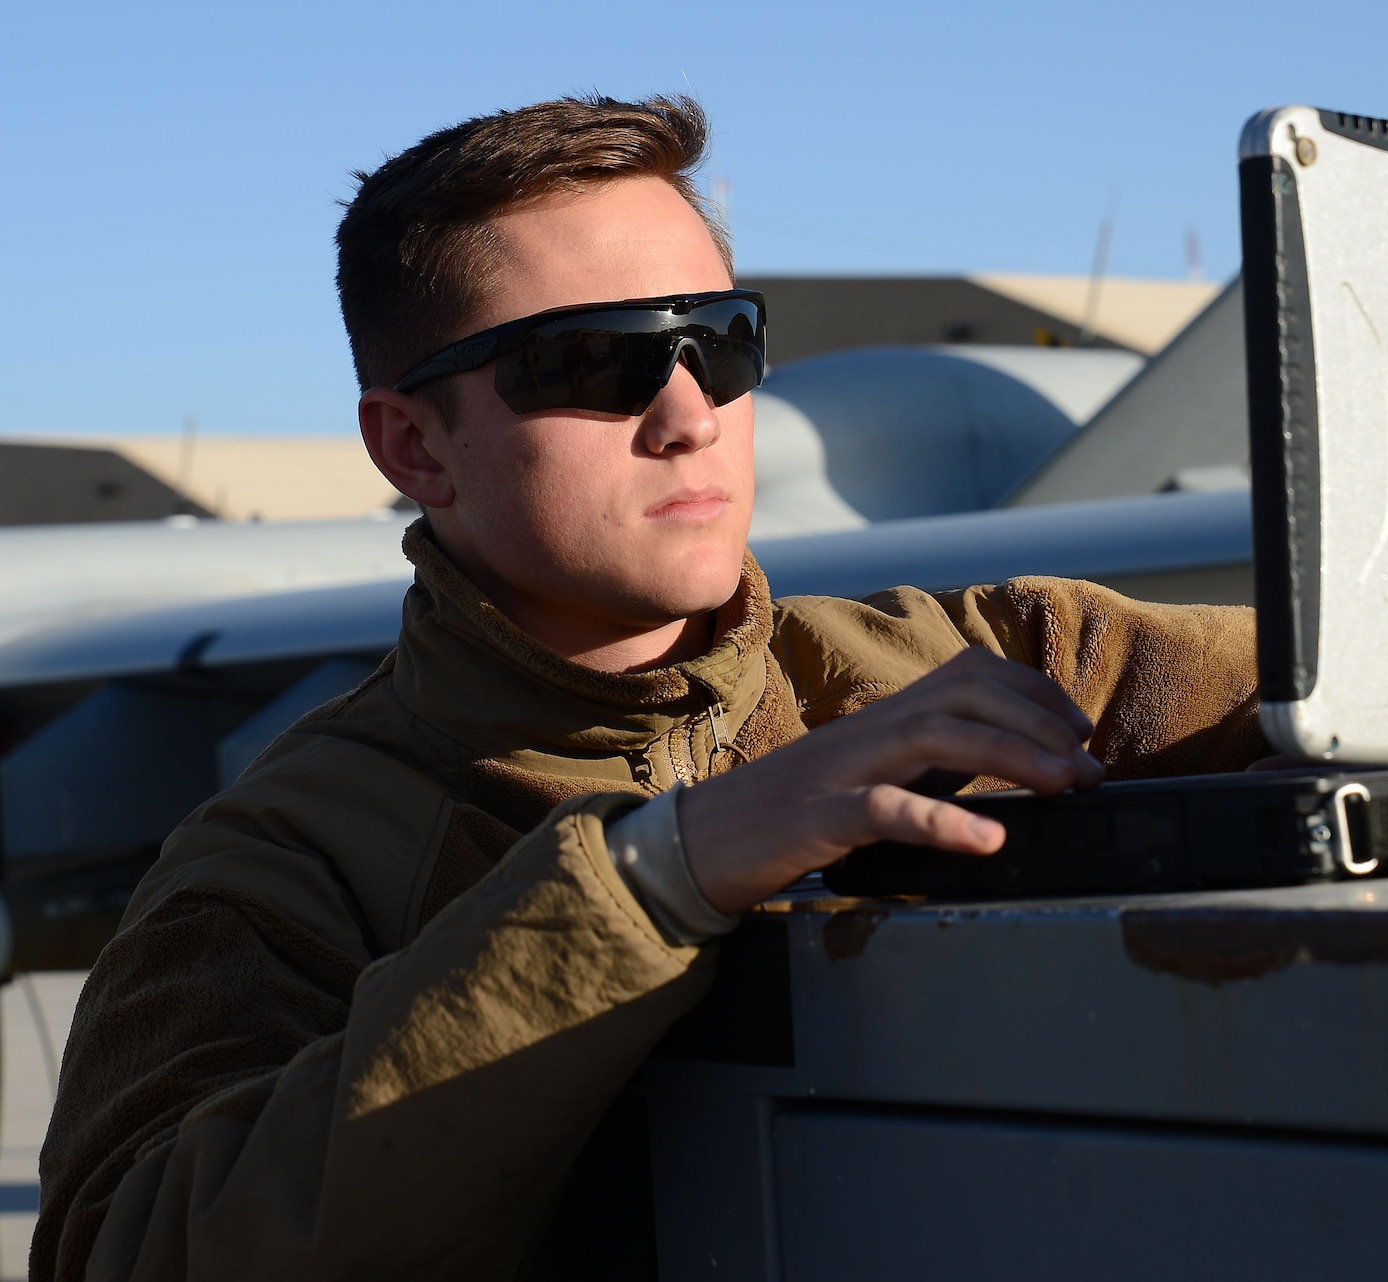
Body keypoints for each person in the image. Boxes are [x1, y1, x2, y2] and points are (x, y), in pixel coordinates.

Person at [33, 94, 1264, 1281]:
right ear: (414, 446)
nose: (690, 412)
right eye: (587, 362)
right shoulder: (281, 871)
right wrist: (651, 882)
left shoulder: (998, 664)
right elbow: (133, 1250)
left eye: (719, 341)